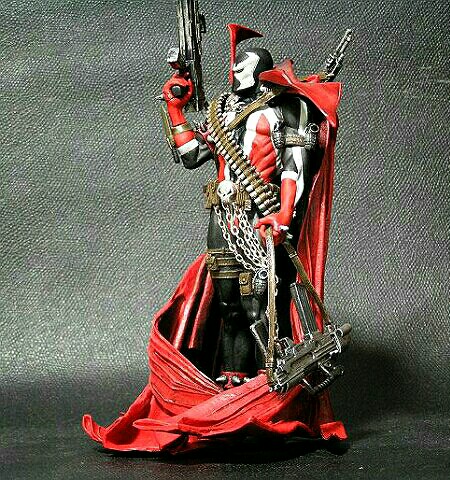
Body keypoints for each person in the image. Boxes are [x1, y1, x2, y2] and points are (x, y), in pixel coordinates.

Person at [82, 24, 347, 453]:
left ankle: (268, 390)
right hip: (222, 219)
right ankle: (232, 383)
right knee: (228, 307)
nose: (234, 71)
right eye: (234, 65)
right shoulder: (221, 110)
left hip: (260, 218)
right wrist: (175, 109)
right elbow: (190, 155)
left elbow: (294, 166)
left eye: (242, 66)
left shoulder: (285, 110)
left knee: (260, 303)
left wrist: (284, 214)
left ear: (261, 71)